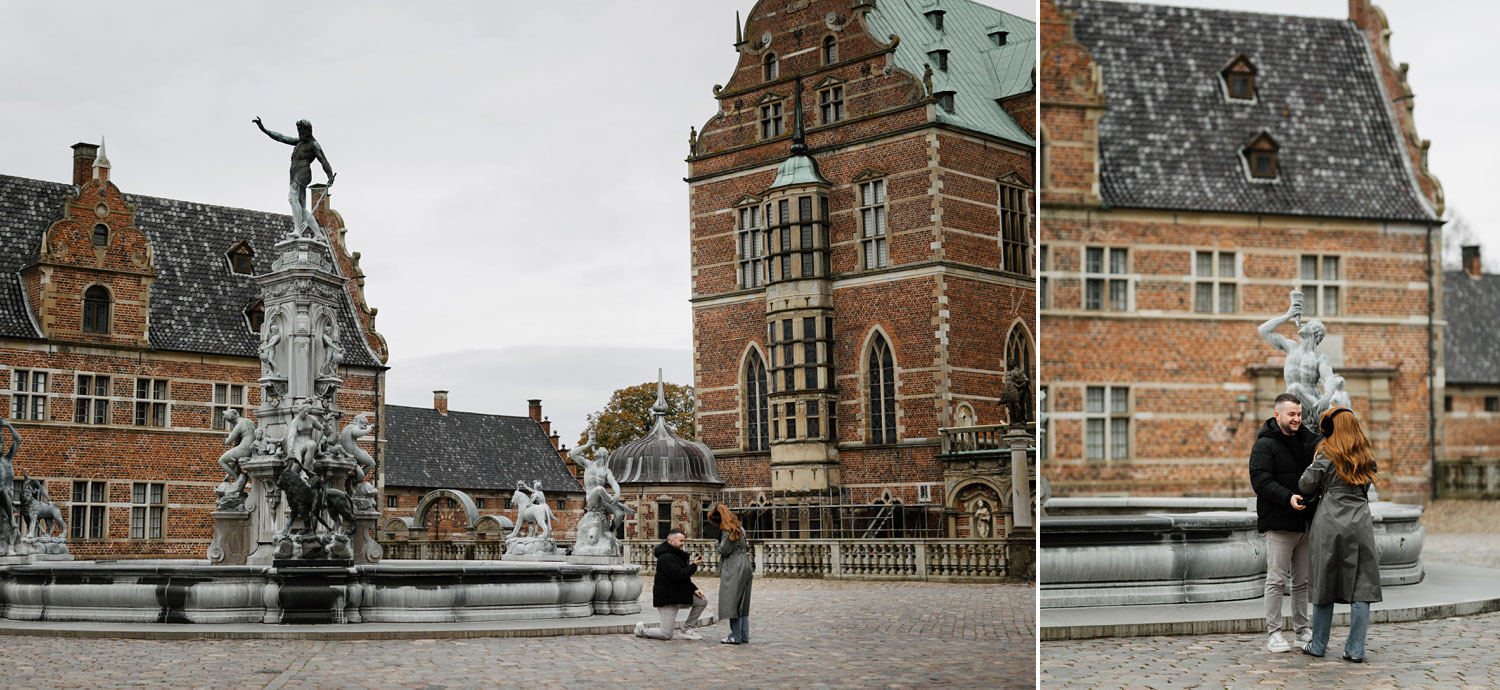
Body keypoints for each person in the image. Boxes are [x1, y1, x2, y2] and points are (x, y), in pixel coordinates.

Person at [1299, 407, 1382, 662]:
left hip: (1330, 521)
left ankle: (1318, 645)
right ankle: (1355, 650)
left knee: (1325, 581)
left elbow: (1306, 484)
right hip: (1360, 522)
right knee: (1361, 586)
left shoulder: (1327, 452)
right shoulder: (1365, 454)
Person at [1248, 392, 1322, 653]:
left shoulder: (1309, 440)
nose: (1297, 419)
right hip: (1279, 521)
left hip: (1305, 522)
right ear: (1277, 414)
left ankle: (1303, 632)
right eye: (1291, 414)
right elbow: (1260, 482)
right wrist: (1288, 497)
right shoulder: (1264, 445)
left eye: (1299, 414)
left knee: (1302, 582)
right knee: (1276, 580)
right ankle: (1274, 634)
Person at [635, 528, 708, 641]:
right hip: (668, 599)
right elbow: (679, 575)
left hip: (678, 594)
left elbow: (683, 578)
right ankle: (641, 631)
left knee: (701, 601)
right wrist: (694, 565)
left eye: (683, 541)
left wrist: (694, 589)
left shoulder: (678, 555)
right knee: (666, 635)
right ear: (671, 541)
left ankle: (687, 629)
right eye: (681, 541)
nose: (683, 544)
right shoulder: (665, 558)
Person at [709, 504, 753, 644]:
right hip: (745, 563)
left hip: (734, 565)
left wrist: (717, 544)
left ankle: (736, 636)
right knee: (742, 603)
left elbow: (725, 549)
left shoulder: (728, 530)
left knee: (732, 602)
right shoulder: (740, 527)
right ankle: (743, 635)